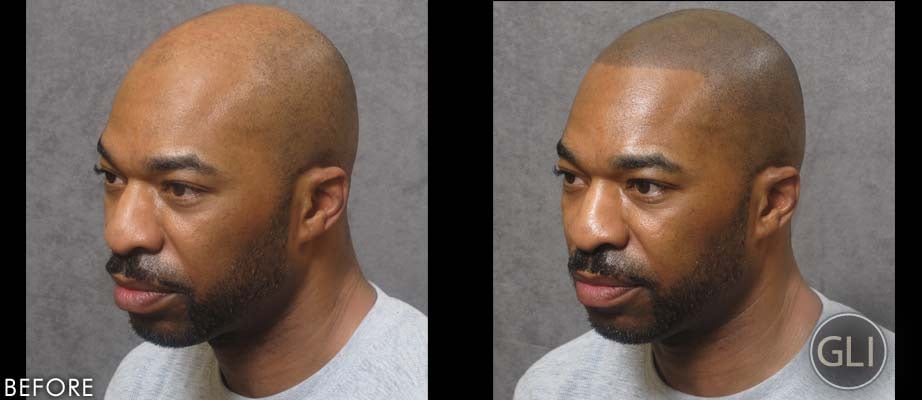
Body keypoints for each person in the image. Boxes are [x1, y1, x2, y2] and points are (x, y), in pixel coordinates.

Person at [515, 8, 893, 399]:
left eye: (645, 186)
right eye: (573, 177)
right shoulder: (555, 388)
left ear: (772, 203)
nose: (587, 230)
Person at [98, 4, 426, 399]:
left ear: (316, 204)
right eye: (113, 177)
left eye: (181, 188)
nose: (120, 233)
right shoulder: (142, 379)